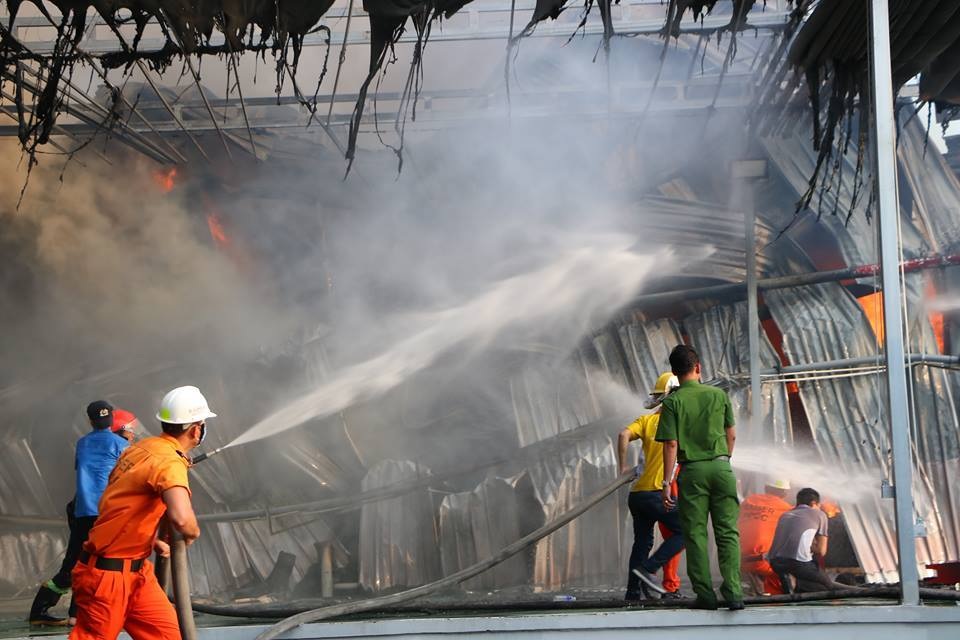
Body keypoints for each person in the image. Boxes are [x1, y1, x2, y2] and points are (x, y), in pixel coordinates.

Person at [70, 386, 215, 640]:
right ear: (195, 429)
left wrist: (150, 538)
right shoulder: (168, 462)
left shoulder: (141, 449)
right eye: (202, 423)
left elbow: (120, 502)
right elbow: (182, 518)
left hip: (138, 574)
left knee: (169, 636)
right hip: (107, 578)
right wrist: (191, 533)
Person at [656, 344, 743, 611]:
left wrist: (667, 481)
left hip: (692, 471)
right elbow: (732, 434)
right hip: (721, 468)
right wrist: (724, 460)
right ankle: (733, 593)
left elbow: (670, 444)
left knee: (695, 534)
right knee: (727, 532)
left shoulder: (672, 402)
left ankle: (705, 596)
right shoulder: (718, 395)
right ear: (698, 367)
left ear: (674, 372)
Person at [29, 401, 131, 626]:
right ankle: (81, 614)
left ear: (90, 421)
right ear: (112, 420)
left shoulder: (82, 443)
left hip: (82, 511)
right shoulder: (121, 445)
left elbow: (86, 471)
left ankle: (43, 610)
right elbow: (133, 475)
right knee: (101, 565)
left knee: (75, 563)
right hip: (106, 513)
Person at [617, 372, 685, 601]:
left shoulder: (645, 421)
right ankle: (650, 569)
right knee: (686, 531)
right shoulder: (677, 423)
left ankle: (633, 593)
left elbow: (623, 434)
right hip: (657, 493)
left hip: (637, 495)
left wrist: (623, 466)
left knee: (642, 543)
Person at [768, 487, 846, 593]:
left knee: (811, 585)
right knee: (828, 586)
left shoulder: (785, 515)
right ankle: (864, 590)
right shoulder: (820, 514)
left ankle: (794, 582)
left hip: (775, 563)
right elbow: (821, 551)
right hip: (797, 563)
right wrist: (810, 545)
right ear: (814, 503)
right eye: (819, 505)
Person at [739, 478, 793, 595]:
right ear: (784, 493)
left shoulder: (748, 501)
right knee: (794, 571)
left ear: (766, 488)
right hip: (762, 562)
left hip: (738, 560)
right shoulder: (786, 508)